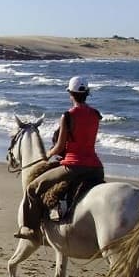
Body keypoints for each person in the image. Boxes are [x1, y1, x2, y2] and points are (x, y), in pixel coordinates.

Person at [14, 76, 104, 241]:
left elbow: (60, 147)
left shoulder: (68, 116)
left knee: (32, 188)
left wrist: (47, 155)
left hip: (74, 166)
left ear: (70, 94)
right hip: (96, 168)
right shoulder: (96, 115)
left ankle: (29, 229)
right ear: (87, 94)